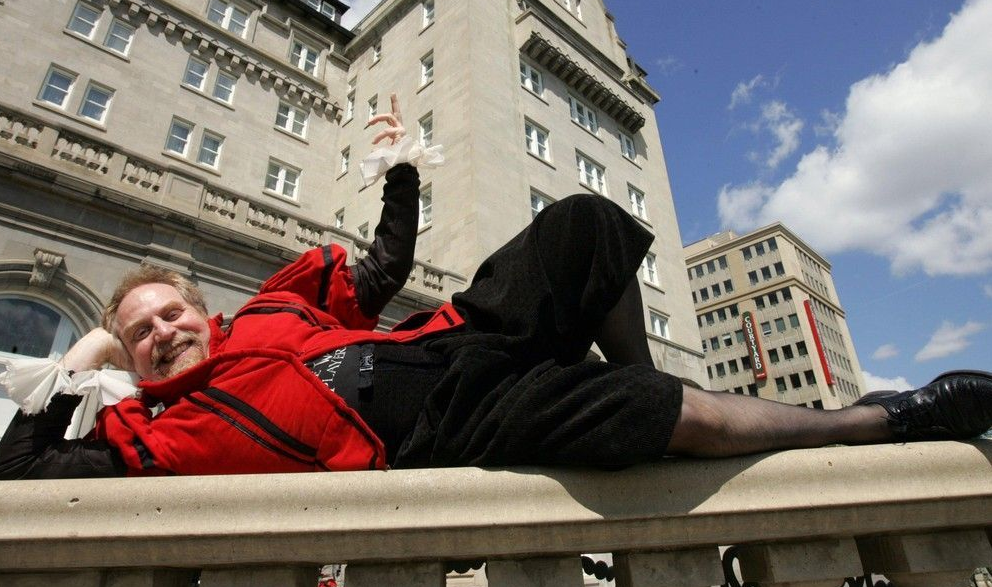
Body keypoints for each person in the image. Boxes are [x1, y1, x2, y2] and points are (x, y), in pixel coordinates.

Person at [1, 95, 990, 478]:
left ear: (200, 309)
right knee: (635, 406)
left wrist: (399, 170)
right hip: (439, 424)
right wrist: (83, 354)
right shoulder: (145, 435)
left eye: (170, 311)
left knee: (586, 222)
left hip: (447, 335)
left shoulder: (267, 307)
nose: (164, 331)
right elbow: (20, 470)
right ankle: (882, 420)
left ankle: (650, 412)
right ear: (133, 356)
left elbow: (380, 271)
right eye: (141, 333)